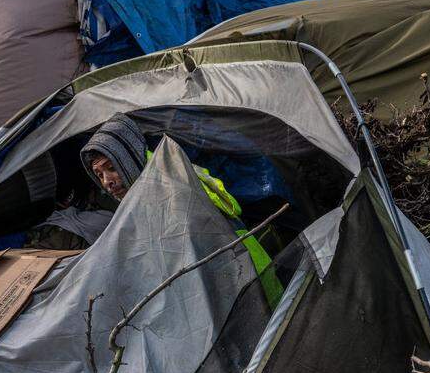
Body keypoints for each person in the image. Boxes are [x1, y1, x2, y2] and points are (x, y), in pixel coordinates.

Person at [79, 113, 283, 305]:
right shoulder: (144, 191)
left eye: (111, 167)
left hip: (241, 272)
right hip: (229, 280)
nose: (107, 182)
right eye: (99, 174)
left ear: (129, 157)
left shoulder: (171, 183)